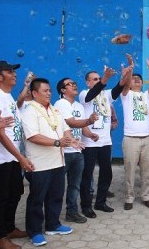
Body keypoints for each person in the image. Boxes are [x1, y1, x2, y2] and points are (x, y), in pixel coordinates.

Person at [22, 78, 80, 246]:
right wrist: (57, 142)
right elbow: (33, 136)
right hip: (39, 164)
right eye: (45, 91)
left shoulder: (54, 109)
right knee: (37, 199)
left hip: (57, 162)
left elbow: (65, 129)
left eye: (49, 91)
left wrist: (70, 139)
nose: (49, 93)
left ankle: (53, 224)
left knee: (55, 196)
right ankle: (34, 231)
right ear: (34, 93)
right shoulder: (29, 111)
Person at [0, 61, 35, 249]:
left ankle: (9, 227)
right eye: (9, 71)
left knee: (16, 191)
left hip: (11, 156)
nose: (14, 74)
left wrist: (19, 155)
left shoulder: (6, 96)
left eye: (14, 71)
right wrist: (21, 158)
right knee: (1, 197)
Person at [79, 65, 126, 218]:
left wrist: (125, 76)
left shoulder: (105, 94)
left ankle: (100, 202)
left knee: (107, 173)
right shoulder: (84, 94)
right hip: (90, 142)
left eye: (99, 78)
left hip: (105, 142)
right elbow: (92, 94)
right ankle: (86, 206)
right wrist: (105, 80)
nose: (98, 81)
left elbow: (118, 88)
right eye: (95, 79)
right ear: (87, 82)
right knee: (87, 175)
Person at [54, 78, 99, 224]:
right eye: (69, 84)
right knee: (58, 186)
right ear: (62, 90)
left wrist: (90, 134)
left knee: (75, 185)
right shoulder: (61, 103)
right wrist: (89, 121)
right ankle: (52, 217)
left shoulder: (79, 105)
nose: (74, 85)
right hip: (62, 152)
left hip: (77, 151)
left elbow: (82, 128)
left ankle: (71, 212)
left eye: (74, 83)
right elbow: (70, 122)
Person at [120, 53, 149, 210]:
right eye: (134, 79)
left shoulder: (145, 96)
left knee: (147, 171)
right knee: (129, 171)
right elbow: (126, 85)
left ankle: (146, 196)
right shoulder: (126, 96)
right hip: (131, 139)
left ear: (143, 83)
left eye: (139, 79)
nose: (136, 80)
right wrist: (131, 68)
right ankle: (129, 198)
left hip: (147, 139)